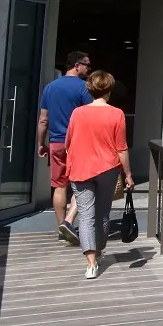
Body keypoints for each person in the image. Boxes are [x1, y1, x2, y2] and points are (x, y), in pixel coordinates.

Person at [64, 70, 133, 280]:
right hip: (107, 169)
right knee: (103, 214)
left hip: (80, 169)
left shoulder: (78, 113)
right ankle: (100, 250)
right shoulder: (117, 114)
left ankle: (91, 263)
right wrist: (128, 174)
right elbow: (121, 148)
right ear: (109, 90)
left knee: (85, 215)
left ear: (90, 89)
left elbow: (68, 142)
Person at [36, 51, 92, 244]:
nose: (88, 69)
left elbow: (43, 120)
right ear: (77, 65)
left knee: (59, 186)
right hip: (77, 143)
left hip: (56, 143)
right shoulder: (84, 88)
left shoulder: (50, 88)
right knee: (81, 184)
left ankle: (62, 227)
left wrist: (41, 144)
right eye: (87, 65)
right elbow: (90, 116)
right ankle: (69, 222)